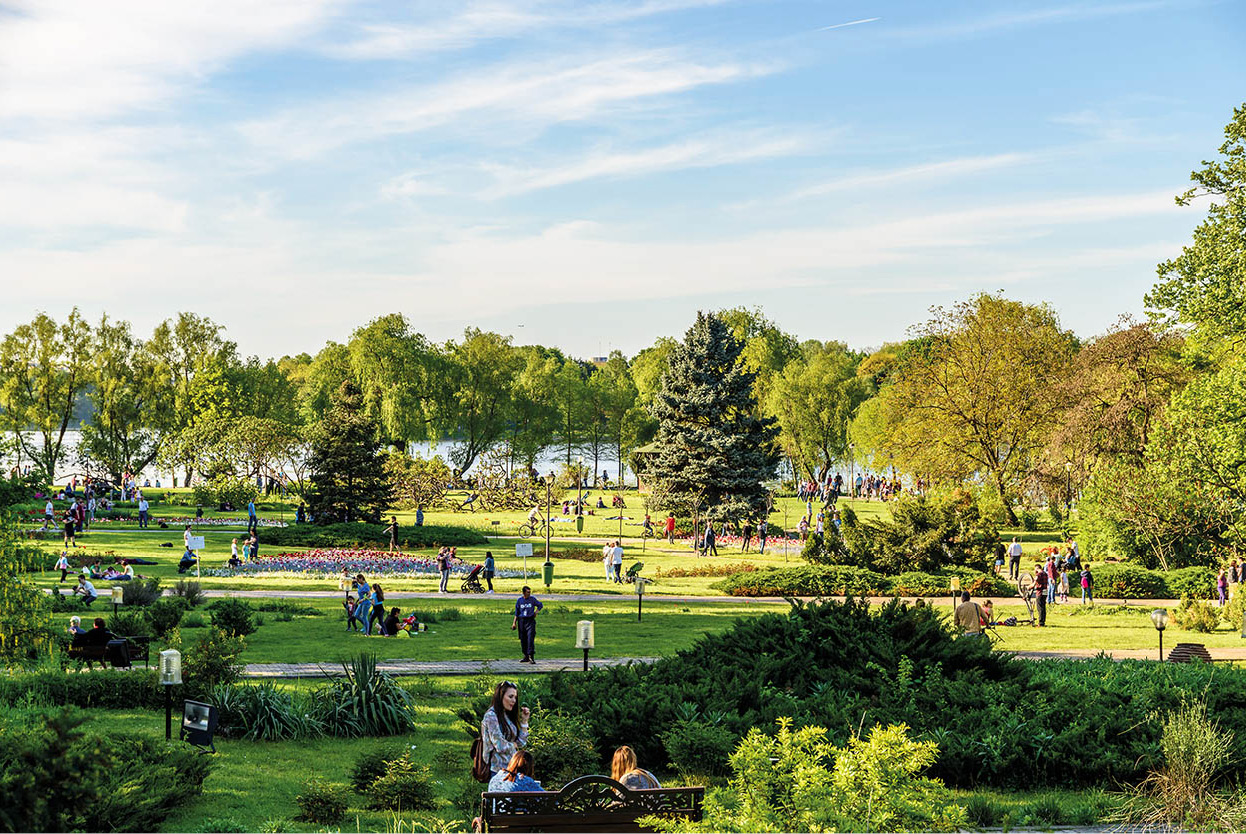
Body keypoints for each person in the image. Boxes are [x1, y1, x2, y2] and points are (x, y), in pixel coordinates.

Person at [481, 681, 531, 776]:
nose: (514, 701)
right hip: (498, 771)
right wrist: (514, 745)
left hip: (513, 769)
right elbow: (500, 746)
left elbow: (521, 743)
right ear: (500, 696)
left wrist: (524, 722)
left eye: (515, 697)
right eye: (510, 697)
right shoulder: (491, 716)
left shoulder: (506, 715)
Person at [512, 586, 543, 663]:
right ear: (524, 592)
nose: (529, 593)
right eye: (527, 592)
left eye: (530, 592)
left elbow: (540, 605)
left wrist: (536, 612)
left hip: (530, 621)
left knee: (530, 638)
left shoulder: (532, 599)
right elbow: (517, 613)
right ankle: (525, 655)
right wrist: (514, 623)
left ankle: (531, 656)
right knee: (523, 639)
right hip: (522, 621)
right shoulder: (520, 601)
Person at [1032, 563, 1048, 627]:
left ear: (1037, 568)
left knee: (1039, 607)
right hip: (1045, 591)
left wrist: (1029, 587)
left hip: (1040, 591)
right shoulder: (1045, 574)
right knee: (1043, 607)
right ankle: (1043, 621)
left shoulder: (1039, 574)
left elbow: (1034, 583)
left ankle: (1040, 623)